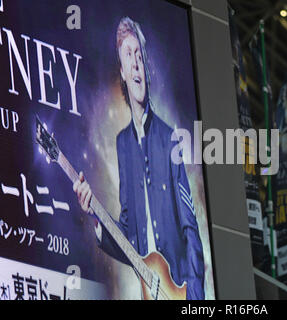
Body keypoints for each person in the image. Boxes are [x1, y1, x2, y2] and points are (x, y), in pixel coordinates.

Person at [73, 17, 205, 300]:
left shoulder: (170, 138)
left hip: (180, 291)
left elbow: (190, 228)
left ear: (145, 66)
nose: (135, 63)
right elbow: (128, 235)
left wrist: (195, 296)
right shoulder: (123, 144)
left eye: (139, 56)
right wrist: (96, 218)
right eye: (128, 55)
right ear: (122, 72)